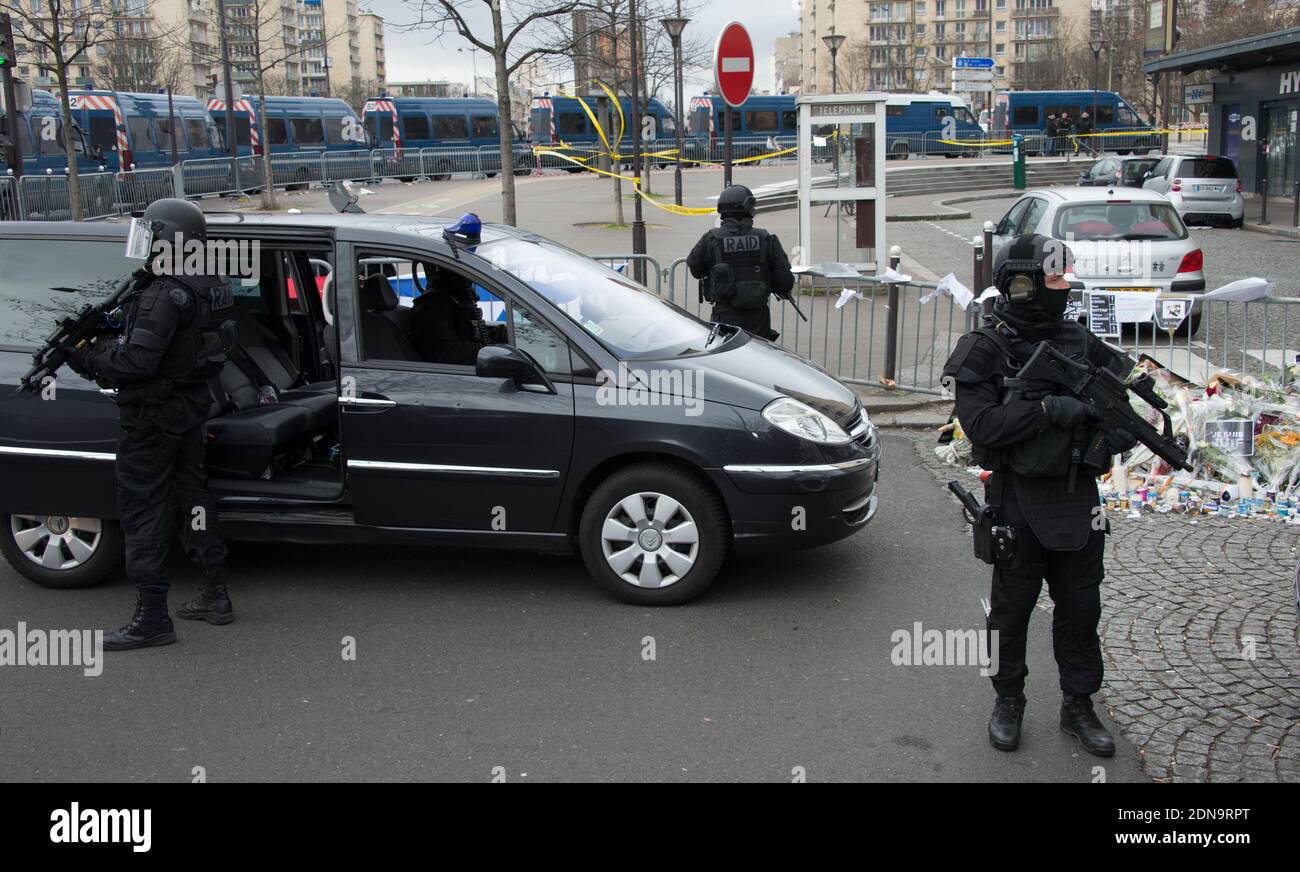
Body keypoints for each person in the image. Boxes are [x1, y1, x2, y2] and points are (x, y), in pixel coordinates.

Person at [941, 233, 1137, 758]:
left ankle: (1079, 705)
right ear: (1022, 284)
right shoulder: (986, 348)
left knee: (1080, 609)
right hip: (1016, 502)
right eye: (1055, 277)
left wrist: (1106, 436)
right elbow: (981, 425)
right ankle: (1008, 701)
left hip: (1076, 501)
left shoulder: (1077, 340)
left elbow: (1121, 402)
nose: (1066, 286)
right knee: (1012, 611)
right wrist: (1049, 412)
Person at [65, 198, 236, 650]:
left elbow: (136, 361)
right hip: (190, 409)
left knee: (143, 511)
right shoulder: (211, 281)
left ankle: (152, 618)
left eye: (152, 233)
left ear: (169, 238)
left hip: (151, 417)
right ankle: (215, 593)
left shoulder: (163, 293)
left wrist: (86, 356)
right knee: (193, 498)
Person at [686, 184, 795, 342]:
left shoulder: (711, 239)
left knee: (727, 363)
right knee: (759, 360)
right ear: (748, 208)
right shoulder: (766, 239)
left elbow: (695, 269)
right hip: (758, 319)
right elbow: (785, 282)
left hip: (725, 317)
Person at [409, 214, 503, 364]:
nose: (471, 283)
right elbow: (444, 352)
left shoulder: (453, 302)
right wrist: (484, 349)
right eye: (467, 276)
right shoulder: (433, 307)